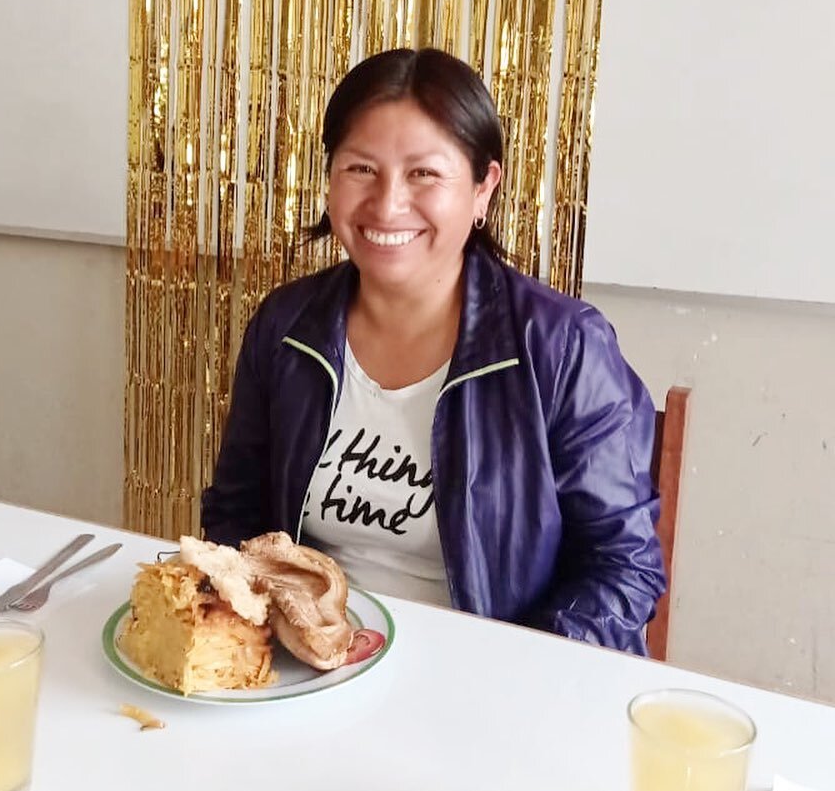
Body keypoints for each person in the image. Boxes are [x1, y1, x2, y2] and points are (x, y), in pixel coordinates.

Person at [201, 47, 665, 654]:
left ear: (482, 188)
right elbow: (237, 513)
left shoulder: (562, 347)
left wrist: (507, 672)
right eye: (361, 169)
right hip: (313, 672)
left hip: (491, 682)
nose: (388, 203)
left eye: (424, 173)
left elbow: (623, 569)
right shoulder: (287, 327)